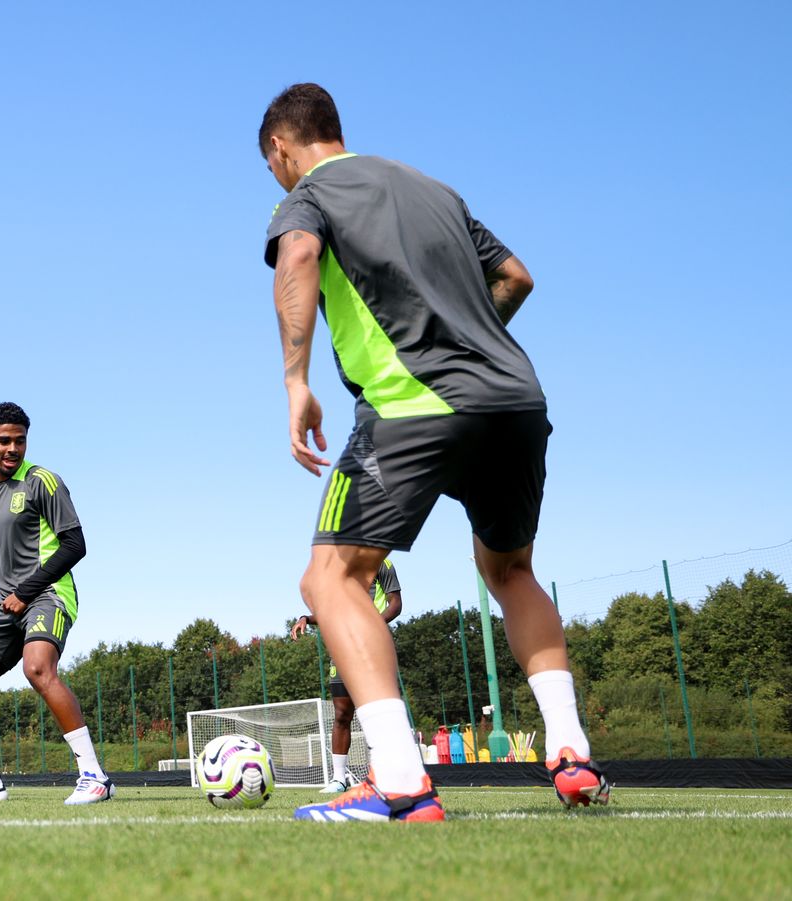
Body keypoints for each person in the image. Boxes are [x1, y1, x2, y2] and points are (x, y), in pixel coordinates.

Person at [259, 84, 608, 822]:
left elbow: (297, 256)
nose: (279, 180)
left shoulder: (309, 195)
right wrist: (471, 348)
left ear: (282, 149)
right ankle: (573, 752)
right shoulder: (433, 189)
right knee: (510, 571)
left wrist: (296, 380)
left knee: (329, 580)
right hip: (516, 399)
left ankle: (399, 781)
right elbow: (517, 276)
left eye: (274, 167)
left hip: (411, 407)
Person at [0, 403, 111, 805]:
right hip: (7, 605)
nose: (12, 448)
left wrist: (26, 591)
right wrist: (9, 598)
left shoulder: (43, 482)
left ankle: (94, 777)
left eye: (20, 440)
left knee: (37, 668)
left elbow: (76, 544)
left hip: (49, 594)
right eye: (4, 441)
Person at [291, 560, 403, 792]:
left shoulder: (381, 562)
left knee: (379, 713)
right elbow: (330, 612)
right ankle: (339, 779)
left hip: (373, 645)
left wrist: (370, 624)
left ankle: (388, 776)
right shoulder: (335, 570)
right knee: (342, 714)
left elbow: (396, 604)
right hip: (344, 647)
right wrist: (307, 618)